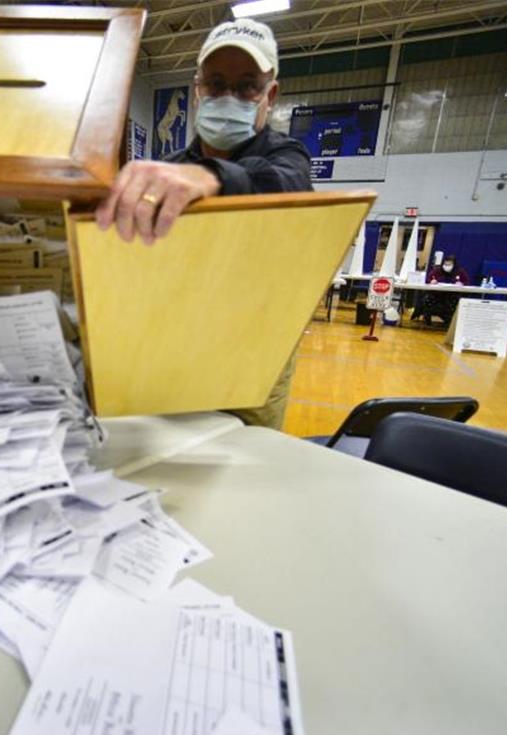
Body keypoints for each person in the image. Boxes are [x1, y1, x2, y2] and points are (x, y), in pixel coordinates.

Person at [93, 18, 311, 430]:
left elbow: (289, 185)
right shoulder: (171, 167)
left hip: (256, 354)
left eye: (247, 85)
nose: (229, 96)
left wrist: (213, 177)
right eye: (215, 83)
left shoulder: (287, 156)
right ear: (197, 90)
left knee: (247, 459)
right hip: (176, 346)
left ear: (271, 94)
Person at [418, 253, 469, 325]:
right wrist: (431, 281)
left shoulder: (460, 271)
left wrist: (462, 283)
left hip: (451, 295)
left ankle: (448, 321)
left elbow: (466, 282)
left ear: (454, 265)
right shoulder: (437, 270)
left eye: (449, 265)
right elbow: (427, 279)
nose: (447, 266)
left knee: (455, 301)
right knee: (427, 298)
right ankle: (427, 319)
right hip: (436, 294)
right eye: (445, 264)